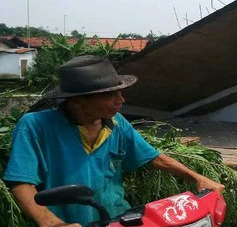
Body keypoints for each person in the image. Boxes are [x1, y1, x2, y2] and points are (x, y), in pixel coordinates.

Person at [3, 55, 225, 227]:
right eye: (111, 95)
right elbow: (22, 183)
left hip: (117, 218)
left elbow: (153, 157)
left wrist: (197, 177)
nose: (122, 100)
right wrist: (50, 222)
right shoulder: (35, 125)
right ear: (79, 100)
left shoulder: (116, 123)